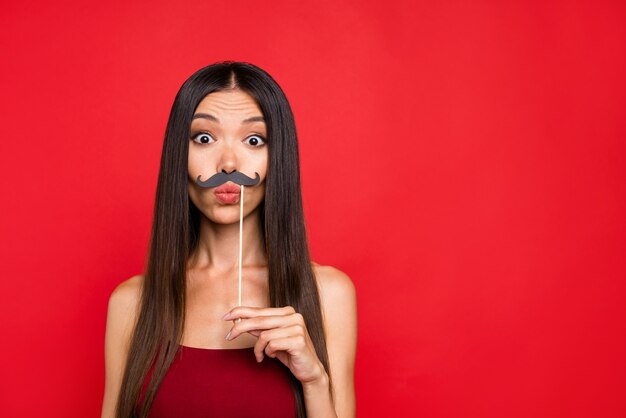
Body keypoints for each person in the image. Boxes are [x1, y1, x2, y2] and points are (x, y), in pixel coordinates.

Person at [101, 61, 357, 418]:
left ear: (277, 157)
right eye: (204, 138)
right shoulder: (131, 303)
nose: (228, 164)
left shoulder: (328, 294)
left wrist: (314, 380)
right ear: (179, 154)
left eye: (254, 140)